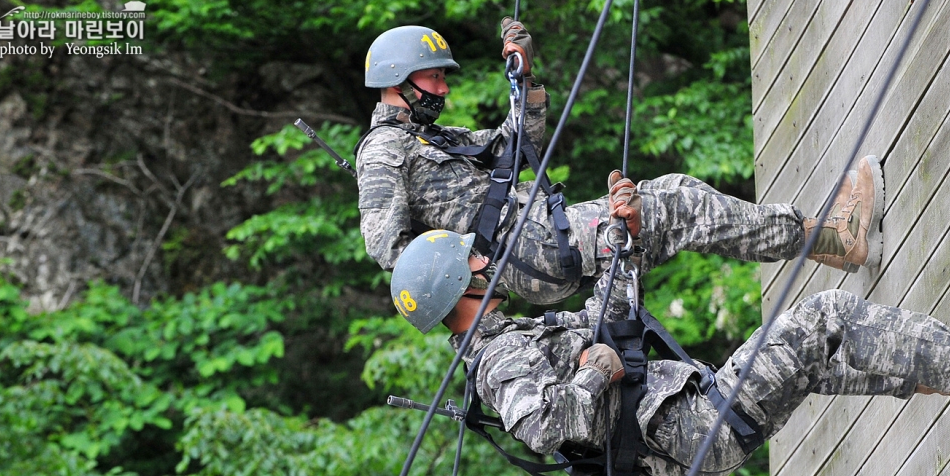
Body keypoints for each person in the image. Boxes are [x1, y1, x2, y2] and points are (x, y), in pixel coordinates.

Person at [387, 219, 950, 476]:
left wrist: (621, 243)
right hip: (692, 428)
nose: (487, 258)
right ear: (458, 285)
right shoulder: (499, 364)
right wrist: (592, 372)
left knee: (819, 360)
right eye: (474, 258)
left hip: (693, 424)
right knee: (826, 316)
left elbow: (606, 324)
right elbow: (550, 428)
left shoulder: (513, 337)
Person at [356, 21, 885, 304]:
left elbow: (516, 148)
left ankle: (829, 242)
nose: (444, 87)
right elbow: (387, 249)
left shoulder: (433, 139)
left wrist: (526, 80)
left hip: (538, 237)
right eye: (434, 78)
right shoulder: (382, 151)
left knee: (676, 195)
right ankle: (833, 237)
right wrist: (474, 269)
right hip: (526, 249)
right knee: (678, 206)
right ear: (396, 81)